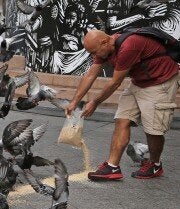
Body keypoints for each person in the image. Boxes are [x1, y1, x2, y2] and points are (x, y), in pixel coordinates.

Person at [65, 29, 178, 180]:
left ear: (104, 42)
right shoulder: (104, 49)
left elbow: (114, 83)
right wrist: (74, 102)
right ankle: (112, 167)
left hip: (160, 81)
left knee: (153, 129)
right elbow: (91, 74)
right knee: (122, 119)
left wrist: (95, 102)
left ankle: (155, 165)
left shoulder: (129, 46)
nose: (93, 56)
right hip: (139, 81)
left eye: (94, 52)